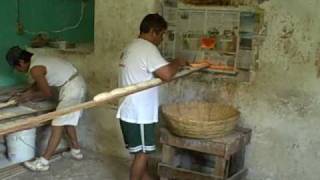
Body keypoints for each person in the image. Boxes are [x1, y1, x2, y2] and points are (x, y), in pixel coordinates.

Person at [116, 14, 186, 180]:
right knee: (142, 155)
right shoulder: (147, 48)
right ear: (154, 32)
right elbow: (167, 74)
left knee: (141, 154)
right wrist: (178, 62)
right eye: (162, 34)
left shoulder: (131, 46)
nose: (162, 39)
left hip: (129, 110)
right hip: (139, 114)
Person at [5, 46, 87, 171]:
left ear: (21, 62)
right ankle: (76, 151)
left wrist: (26, 97)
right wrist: (24, 93)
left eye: (16, 67)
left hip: (73, 90)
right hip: (74, 85)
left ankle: (43, 162)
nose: (18, 70)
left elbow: (46, 93)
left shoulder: (35, 69)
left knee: (57, 123)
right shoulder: (37, 60)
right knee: (68, 120)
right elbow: (38, 83)